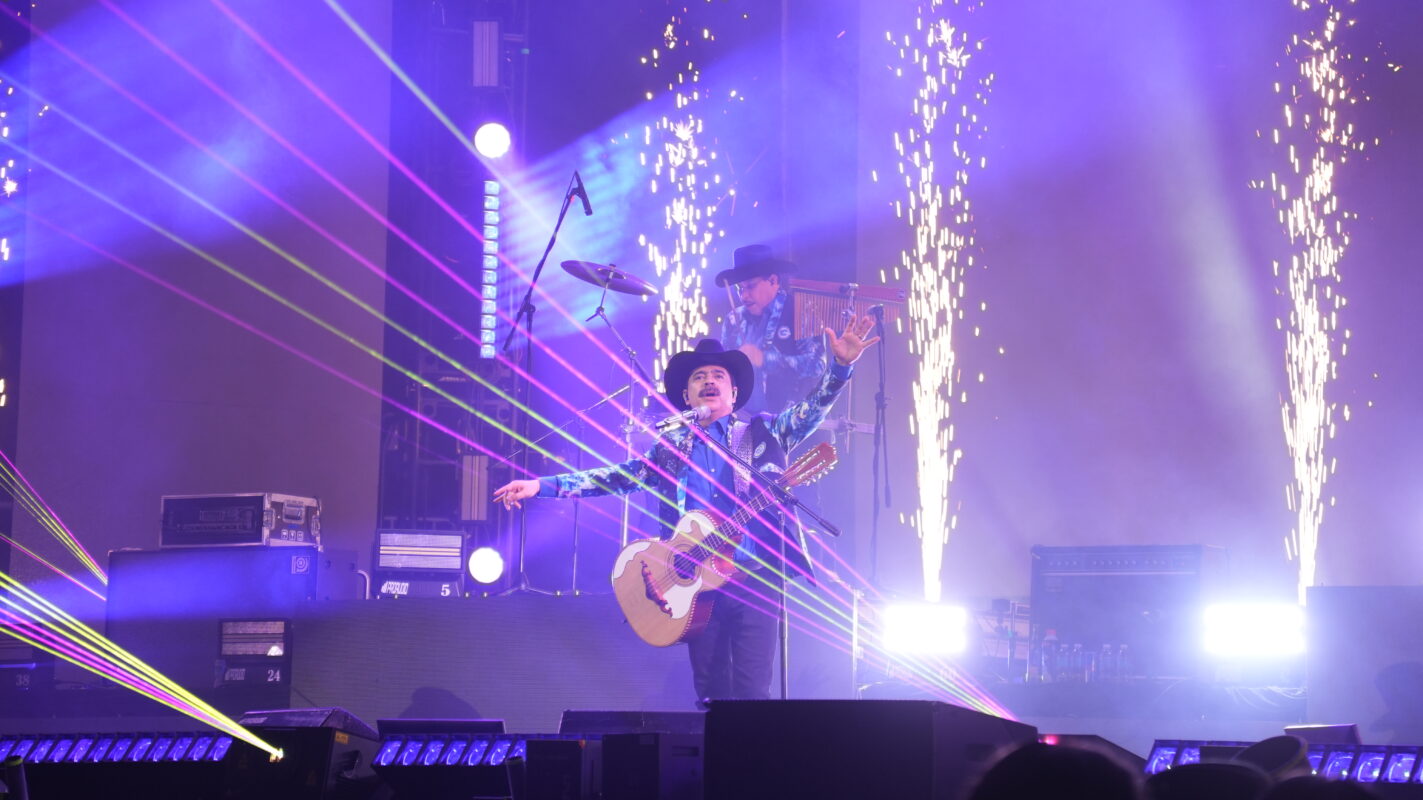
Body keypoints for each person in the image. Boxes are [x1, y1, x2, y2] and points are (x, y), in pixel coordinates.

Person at [492, 315, 879, 705]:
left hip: (755, 576)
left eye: (718, 375)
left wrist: (840, 366)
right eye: (699, 377)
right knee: (710, 694)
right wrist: (542, 486)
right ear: (687, 397)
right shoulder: (670, 450)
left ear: (734, 393)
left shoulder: (762, 432)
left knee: (753, 694)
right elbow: (618, 477)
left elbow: (810, 412)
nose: (709, 380)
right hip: (695, 584)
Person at [715, 244, 827, 416]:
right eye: (740, 289)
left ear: (773, 281)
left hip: (790, 419)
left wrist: (765, 359)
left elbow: (817, 365)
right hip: (741, 419)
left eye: (750, 287)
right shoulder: (733, 319)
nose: (744, 296)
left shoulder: (801, 312)